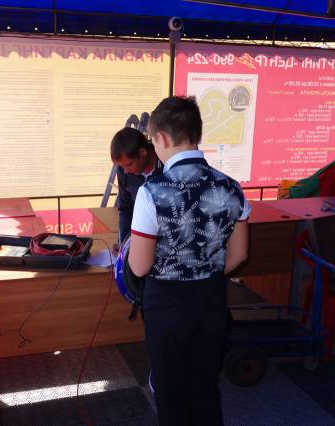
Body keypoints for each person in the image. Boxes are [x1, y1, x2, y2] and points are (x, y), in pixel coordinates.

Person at [128, 96, 250, 426]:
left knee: (171, 393)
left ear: (161, 138)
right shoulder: (232, 187)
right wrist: (205, 271)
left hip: (167, 305)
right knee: (205, 386)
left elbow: (139, 266)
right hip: (211, 300)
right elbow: (240, 254)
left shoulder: (152, 191)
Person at [110, 127, 163, 244]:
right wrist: (123, 244)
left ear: (142, 152)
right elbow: (125, 209)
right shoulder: (123, 171)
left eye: (129, 164)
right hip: (140, 239)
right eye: (121, 166)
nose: (125, 171)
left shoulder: (166, 165)